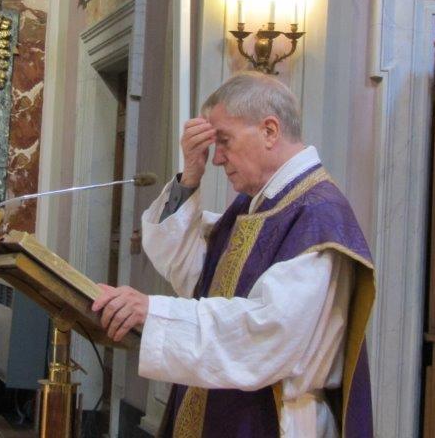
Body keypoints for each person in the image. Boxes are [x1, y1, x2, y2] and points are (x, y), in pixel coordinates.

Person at [92, 72, 374, 437]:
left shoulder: (318, 215)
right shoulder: (256, 206)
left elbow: (271, 331)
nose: (217, 159)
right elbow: (194, 273)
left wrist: (152, 311)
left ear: (269, 131)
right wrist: (189, 178)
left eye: (223, 141)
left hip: (275, 419)